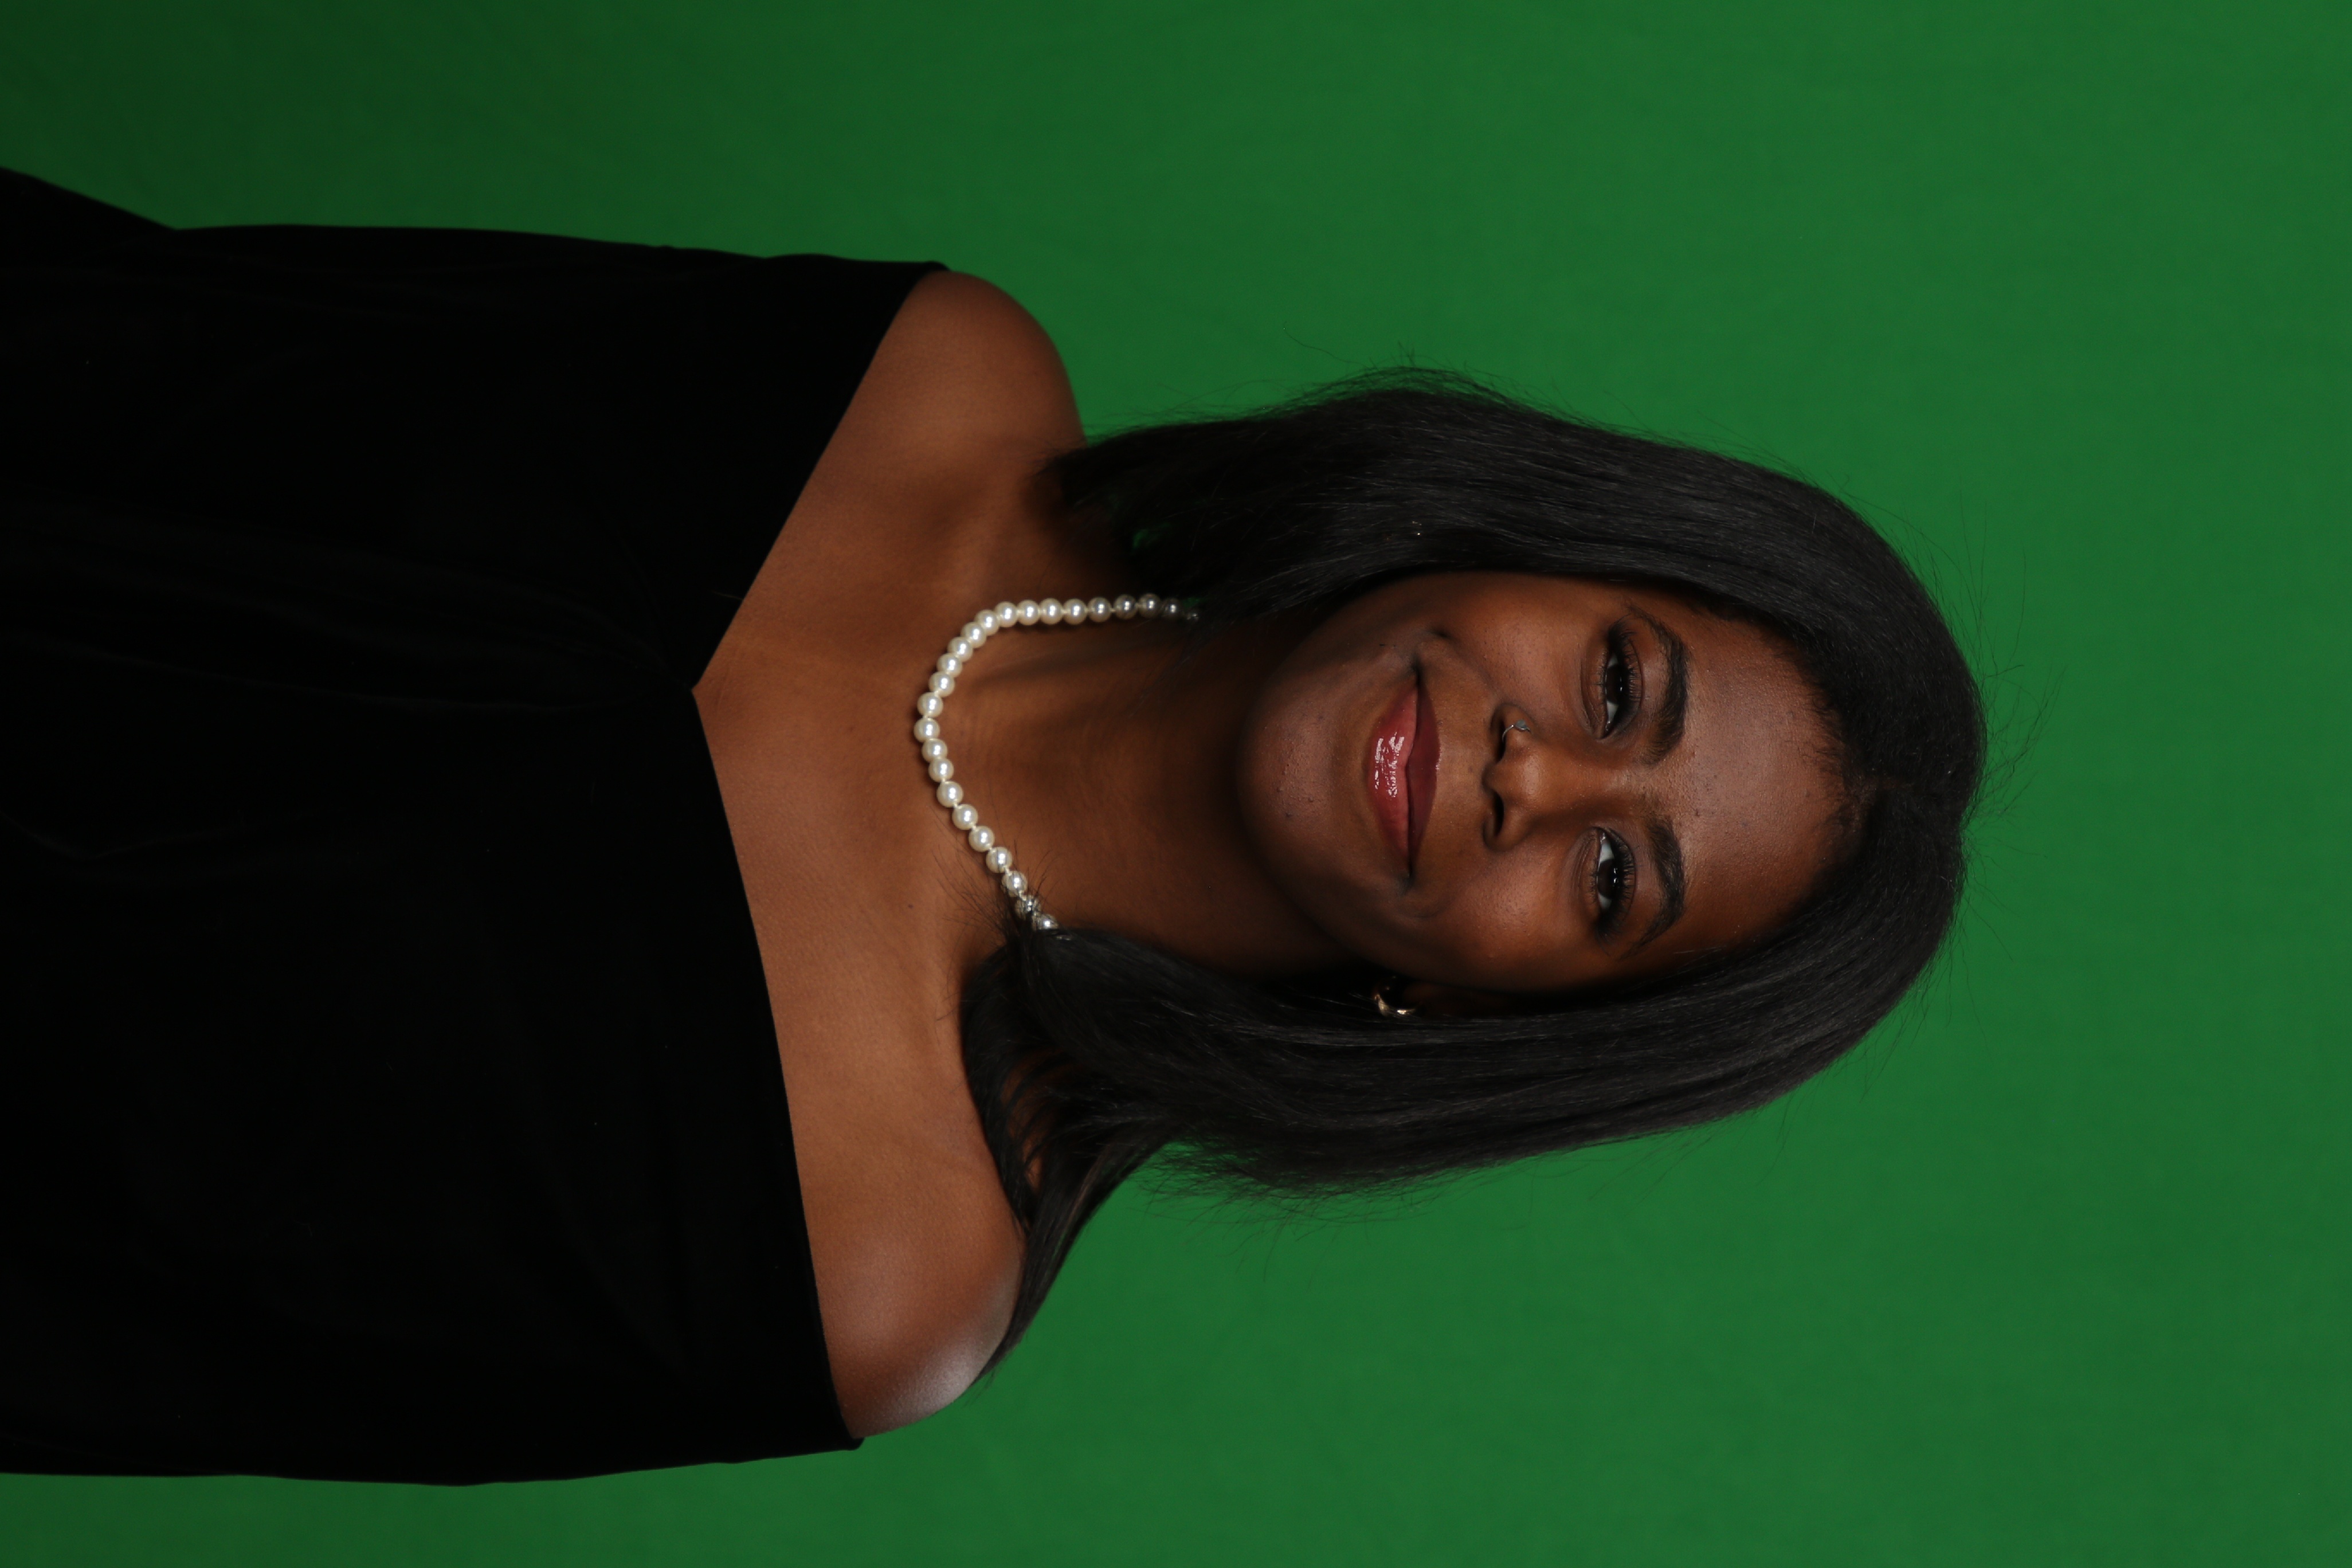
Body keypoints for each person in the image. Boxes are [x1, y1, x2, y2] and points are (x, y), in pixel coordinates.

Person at [0, 169, 1985, 1483]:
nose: (1533, 778)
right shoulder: (932, 382)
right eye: (1620, 683)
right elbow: (159, 322)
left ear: (1498, 1018)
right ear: (1542, 536)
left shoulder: (880, 1264)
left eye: (1614, 881)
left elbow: (94, 1331)